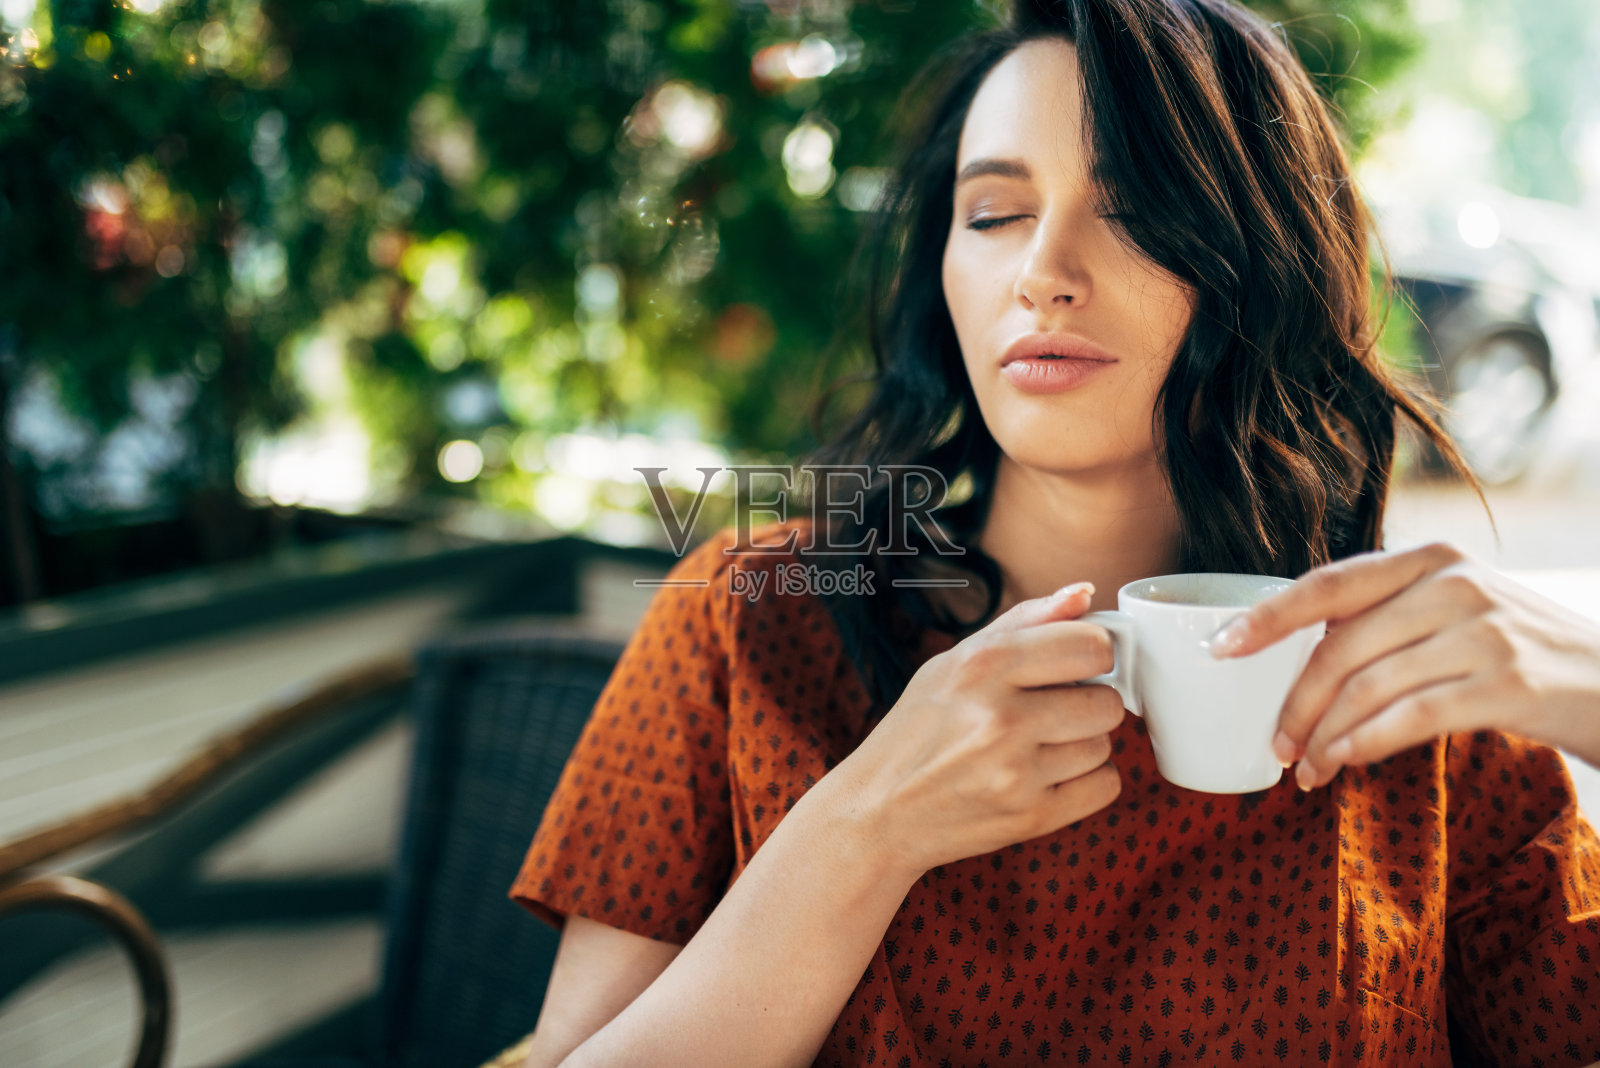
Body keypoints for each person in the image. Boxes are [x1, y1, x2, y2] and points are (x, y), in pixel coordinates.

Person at [510, 1, 1600, 1064]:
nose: (1042, 272)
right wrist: (861, 830)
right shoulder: (753, 622)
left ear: (1263, 269)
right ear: (943, 274)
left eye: (1131, 210)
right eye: (992, 215)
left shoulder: (1416, 695)